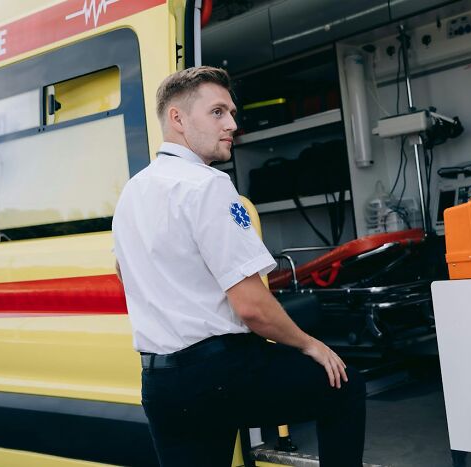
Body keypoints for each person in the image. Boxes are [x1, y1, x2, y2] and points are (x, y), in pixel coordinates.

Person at [112, 66, 366, 467]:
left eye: (231, 113)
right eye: (217, 112)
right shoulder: (207, 185)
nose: (231, 123)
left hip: (161, 382)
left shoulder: (132, 192)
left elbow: (123, 272)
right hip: (220, 372)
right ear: (177, 118)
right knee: (344, 386)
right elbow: (252, 308)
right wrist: (310, 345)